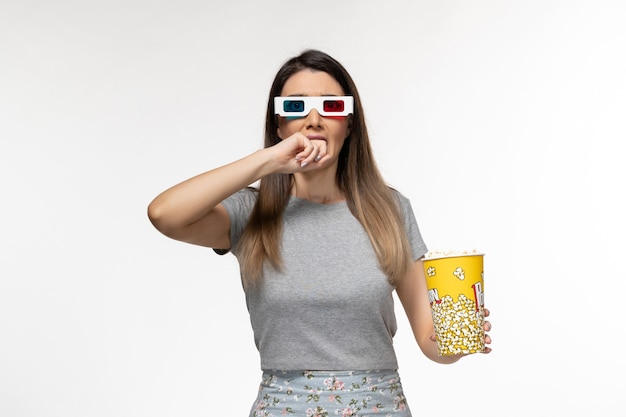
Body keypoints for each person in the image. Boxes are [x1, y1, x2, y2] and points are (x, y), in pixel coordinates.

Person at [147, 49, 492, 416]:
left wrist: (459, 338)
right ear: (279, 126)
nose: (314, 119)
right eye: (296, 108)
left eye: (330, 106)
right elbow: (165, 214)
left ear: (349, 123)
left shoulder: (391, 210)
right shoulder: (252, 213)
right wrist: (268, 160)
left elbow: (430, 340)